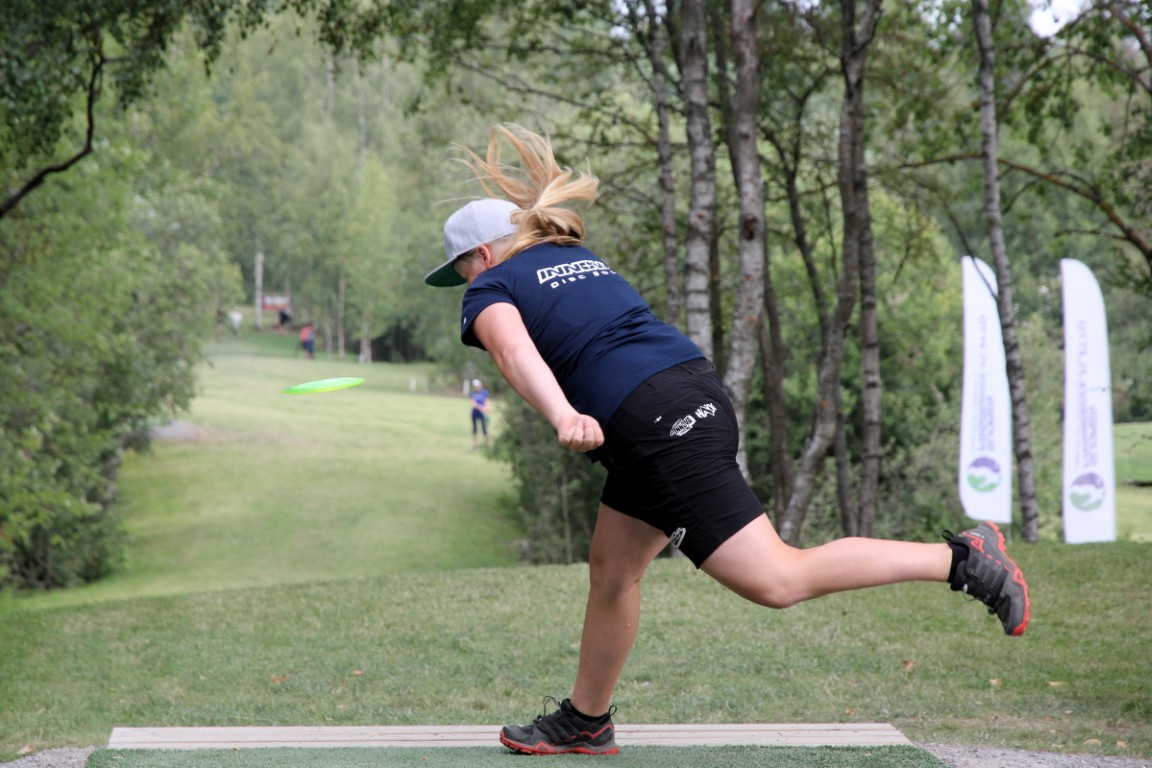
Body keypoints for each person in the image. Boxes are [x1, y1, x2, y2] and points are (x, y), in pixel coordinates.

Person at [423, 124, 1030, 756]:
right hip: (684, 395)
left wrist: (560, 414)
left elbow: (513, 351)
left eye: (463, 268)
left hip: (655, 421)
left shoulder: (491, 287)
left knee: (776, 579)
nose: (464, 283)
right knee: (613, 569)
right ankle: (587, 719)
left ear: (485, 255)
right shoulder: (578, 261)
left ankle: (964, 559)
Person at [469, 378, 491, 448]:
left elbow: (487, 401)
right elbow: (473, 403)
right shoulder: (472, 393)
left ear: (480, 385)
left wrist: (486, 408)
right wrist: (481, 407)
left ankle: (487, 445)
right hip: (475, 413)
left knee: (484, 428)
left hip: (483, 413)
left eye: (477, 385)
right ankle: (475, 445)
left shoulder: (485, 392)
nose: (476, 387)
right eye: (475, 386)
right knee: (475, 428)